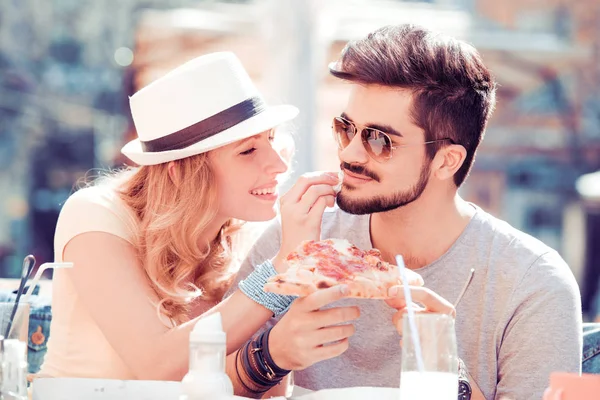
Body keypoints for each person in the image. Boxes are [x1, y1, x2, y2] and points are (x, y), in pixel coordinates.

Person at [232, 24, 583, 400]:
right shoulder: (301, 237)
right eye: (346, 128)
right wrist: (268, 355)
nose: (349, 153)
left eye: (379, 140)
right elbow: (196, 377)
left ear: (447, 161)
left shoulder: (532, 283)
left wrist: (446, 371)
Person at [38, 52, 366, 397]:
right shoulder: (94, 215)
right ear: (179, 173)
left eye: (270, 140)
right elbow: (157, 365)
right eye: (247, 151)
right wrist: (283, 266)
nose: (278, 165)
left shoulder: (245, 239)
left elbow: (251, 385)